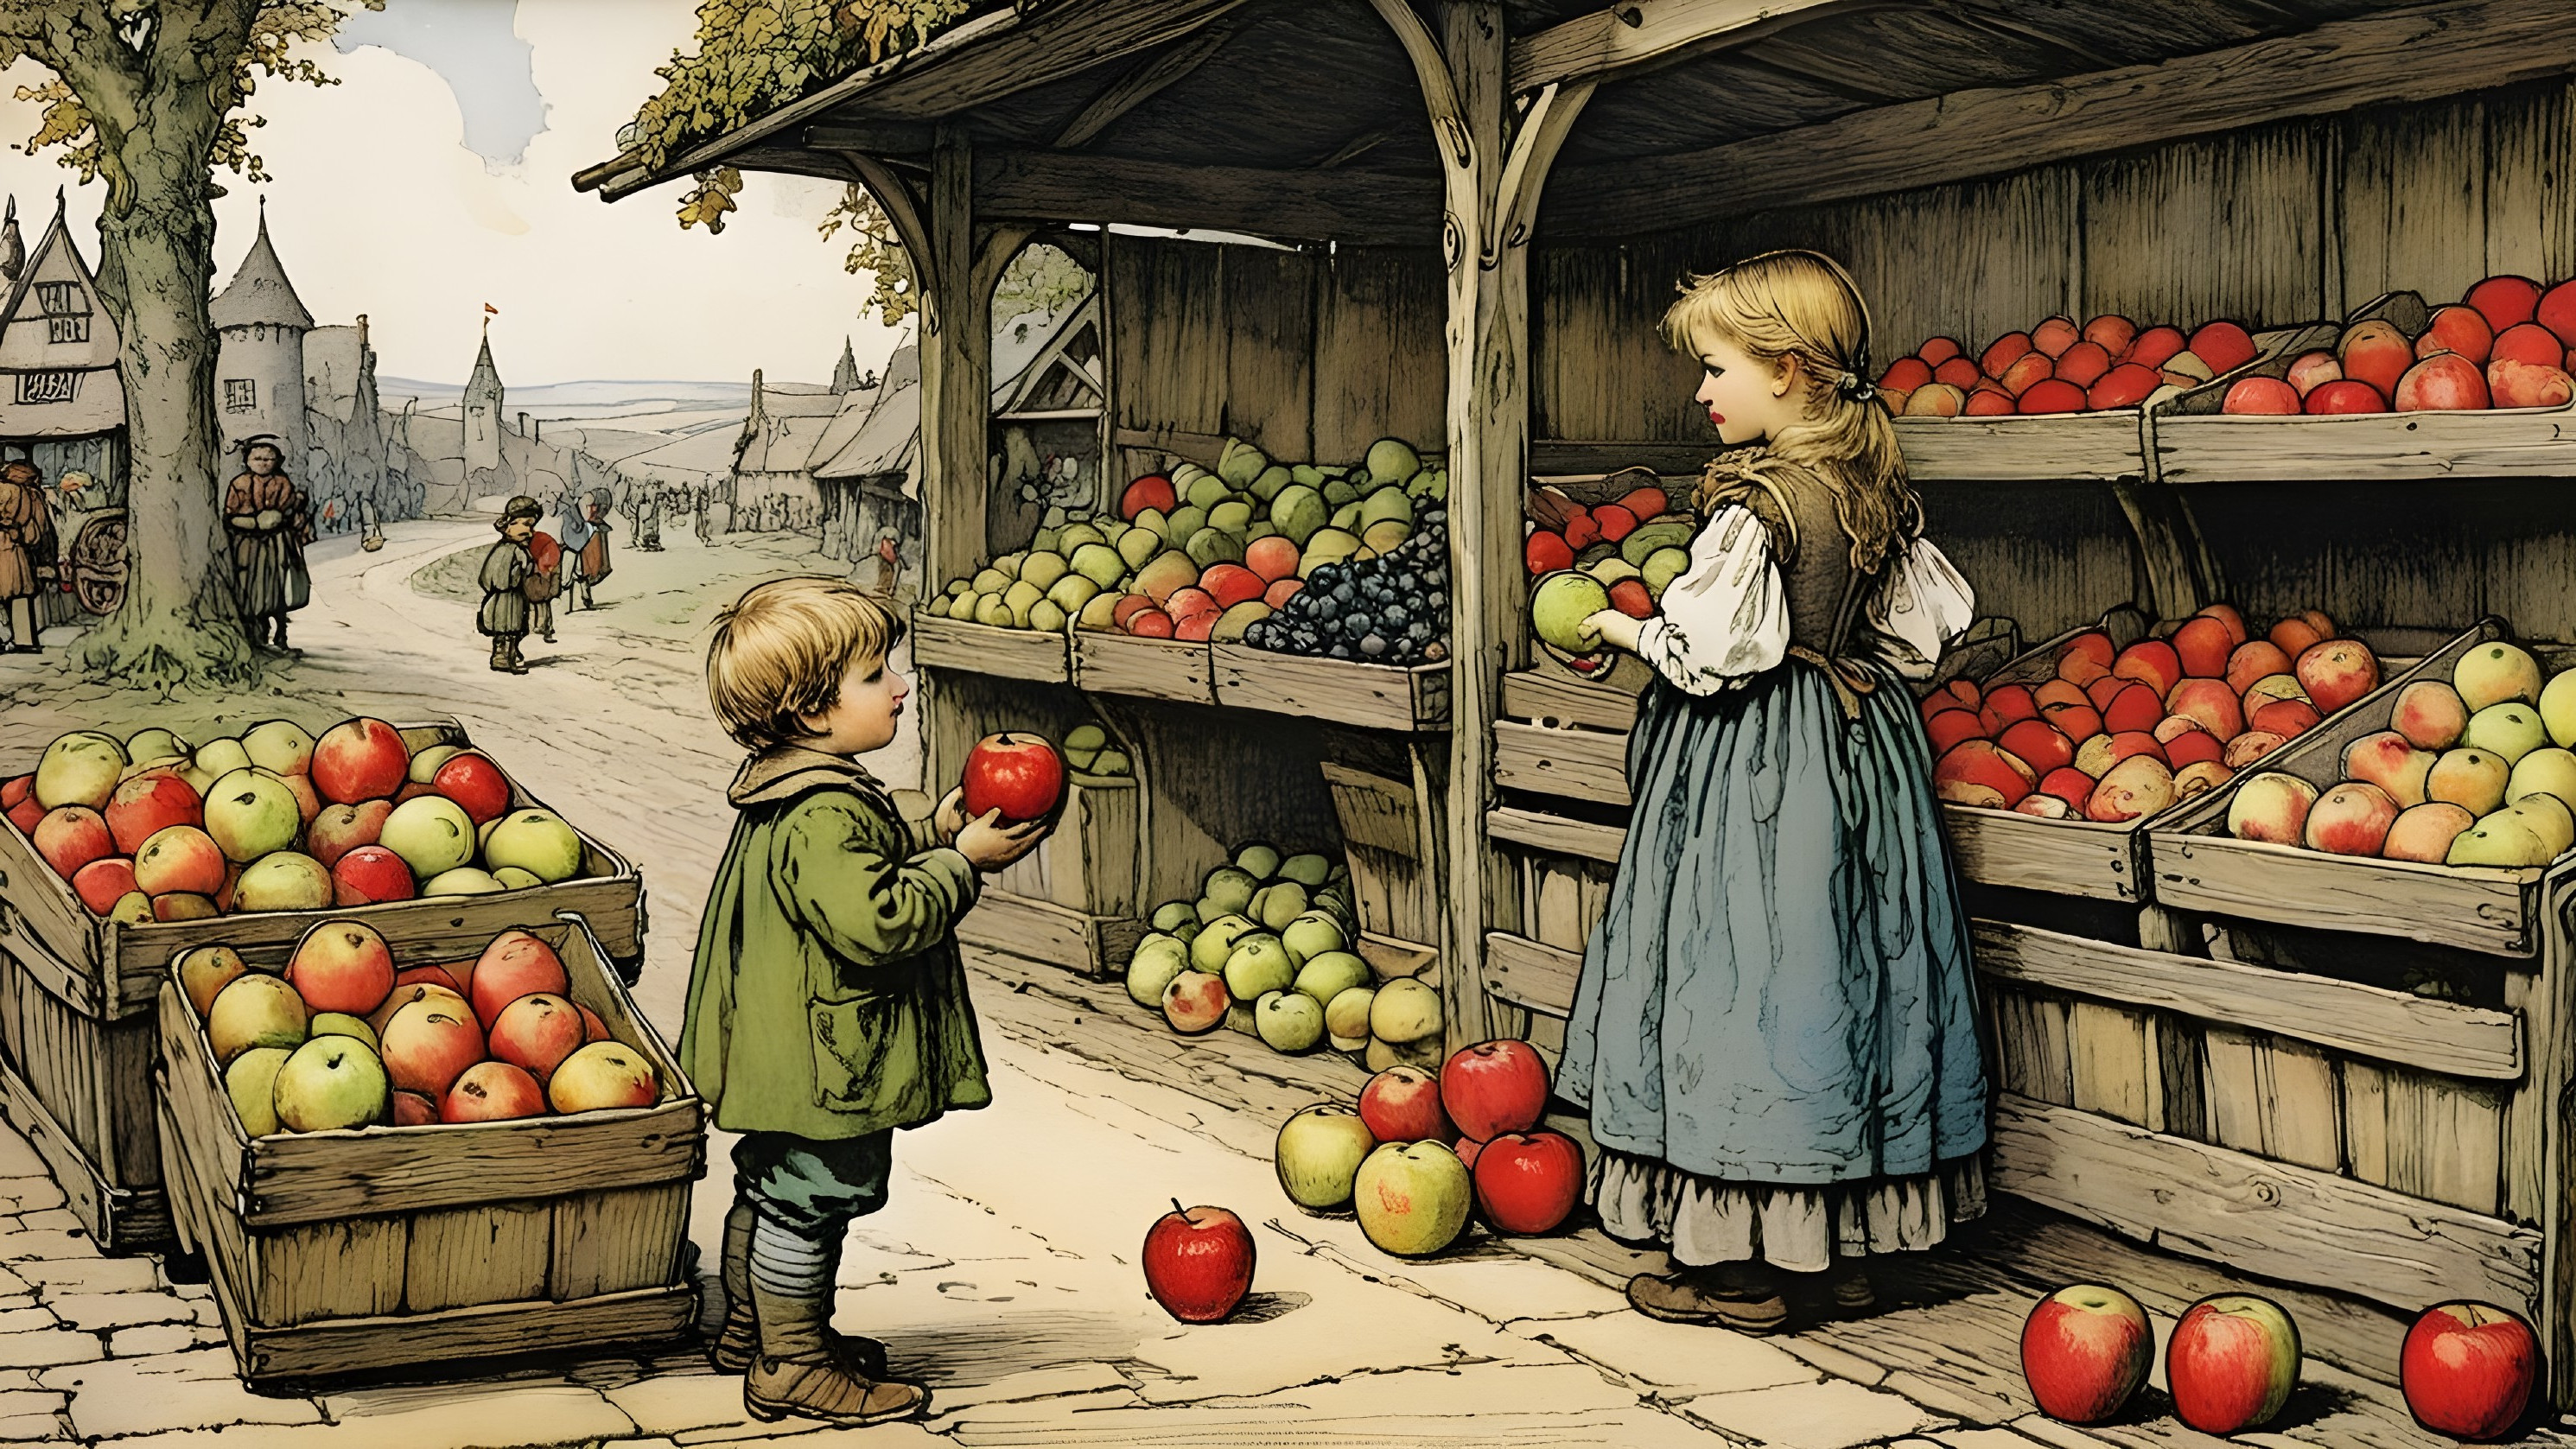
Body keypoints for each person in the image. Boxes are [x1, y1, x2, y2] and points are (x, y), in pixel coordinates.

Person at [1561, 250, 1988, 1333]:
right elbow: (1913, 639)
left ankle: (1740, 1270)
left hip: (1755, 768)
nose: (1701, 392)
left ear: (1788, 370)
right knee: (1838, 981)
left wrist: (1618, 627)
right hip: (1858, 752)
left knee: (1741, 983)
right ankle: (1833, 1253)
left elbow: (1712, 655)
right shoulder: (1869, 489)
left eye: (1715, 368)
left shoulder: (1755, 505)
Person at [684, 577, 1047, 1427]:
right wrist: (962, 863)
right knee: (809, 1196)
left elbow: (857, 866)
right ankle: (793, 1364)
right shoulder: (822, 809)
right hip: (825, 1053)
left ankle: (755, 1332)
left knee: (772, 1185)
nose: (899, 685)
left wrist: (932, 832)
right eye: (875, 673)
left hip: (784, 1043)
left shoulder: (798, 787)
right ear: (813, 712)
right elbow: (878, 919)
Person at [223, 438, 313, 652]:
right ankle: (254, 632)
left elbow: (290, 510)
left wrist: (283, 517)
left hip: (277, 543)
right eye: (258, 459)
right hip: (248, 544)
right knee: (250, 586)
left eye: (268, 459)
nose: (263, 463)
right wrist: (253, 522)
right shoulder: (239, 484)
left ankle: (281, 633)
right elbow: (230, 515)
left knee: (279, 585)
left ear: (277, 462)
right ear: (248, 460)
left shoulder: (282, 483)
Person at [477, 496, 543, 674]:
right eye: (526, 524)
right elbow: (489, 577)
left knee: (514, 628)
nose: (530, 531)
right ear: (509, 525)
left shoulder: (513, 549)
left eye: (531, 525)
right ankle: (502, 659)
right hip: (506, 598)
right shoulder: (511, 550)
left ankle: (511, 655)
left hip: (512, 597)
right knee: (505, 628)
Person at [0, 461, 48, 653]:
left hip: (3, 546)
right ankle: (26, 639)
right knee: (20, 595)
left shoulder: (4, 490)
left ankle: (5, 639)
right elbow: (39, 528)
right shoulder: (32, 495)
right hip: (18, 550)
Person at [569, 492, 614, 610]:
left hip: (589, 542)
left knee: (587, 570)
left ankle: (586, 597)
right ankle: (584, 598)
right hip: (578, 544)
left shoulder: (597, 522)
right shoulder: (573, 511)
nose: (593, 509)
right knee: (581, 570)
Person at [527, 523, 563, 644]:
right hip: (540, 573)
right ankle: (543, 629)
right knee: (539, 601)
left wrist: (544, 573)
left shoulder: (542, 540)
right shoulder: (537, 539)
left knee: (542, 600)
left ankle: (545, 629)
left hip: (543, 573)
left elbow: (549, 561)